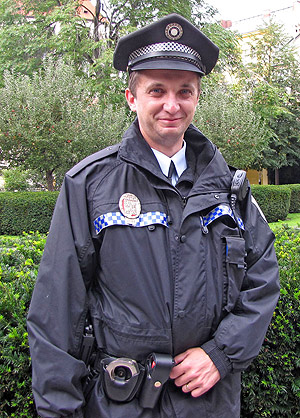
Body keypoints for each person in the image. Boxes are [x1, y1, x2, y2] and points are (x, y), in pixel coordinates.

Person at [27, 13, 280, 418]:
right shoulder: (89, 185)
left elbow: (263, 279)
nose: (171, 104)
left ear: (197, 97)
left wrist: (220, 353)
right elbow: (56, 314)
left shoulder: (230, 187)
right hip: (120, 404)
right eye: (157, 90)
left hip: (209, 404)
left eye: (185, 91)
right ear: (132, 97)